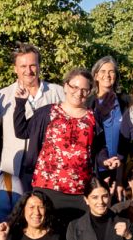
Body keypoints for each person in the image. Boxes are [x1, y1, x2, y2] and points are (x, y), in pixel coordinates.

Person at [12, 68, 118, 214]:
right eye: (74, 87)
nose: (79, 93)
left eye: (84, 89)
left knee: (78, 233)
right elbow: (21, 131)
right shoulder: (47, 112)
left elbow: (99, 149)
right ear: (66, 86)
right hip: (47, 187)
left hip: (82, 189)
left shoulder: (93, 118)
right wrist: (20, 104)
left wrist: (105, 160)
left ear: (89, 92)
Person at [0, 44, 63, 180]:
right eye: (23, 66)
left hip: (50, 169)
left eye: (32, 65)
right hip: (14, 170)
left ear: (39, 66)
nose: (28, 71)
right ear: (15, 69)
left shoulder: (58, 93)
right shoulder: (3, 95)